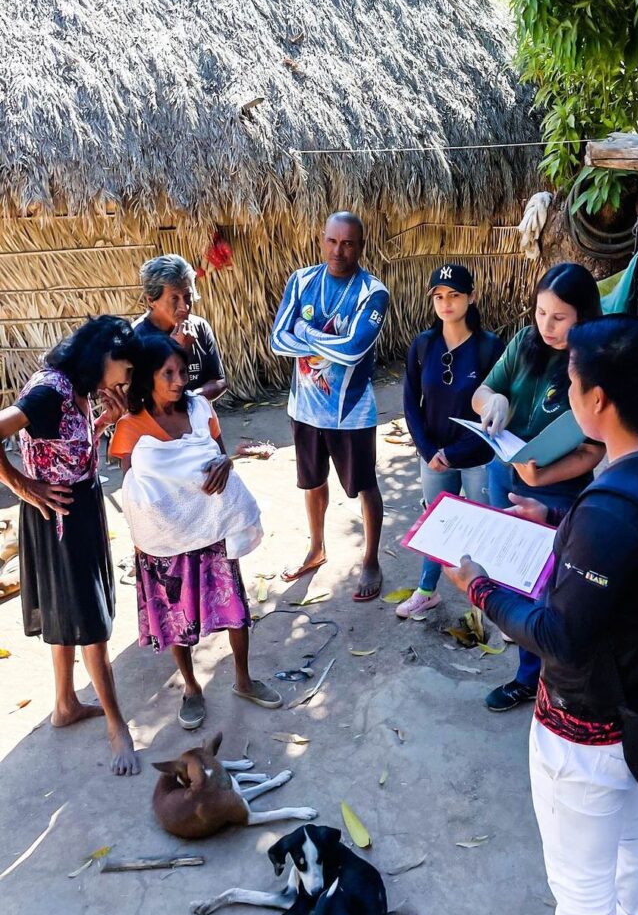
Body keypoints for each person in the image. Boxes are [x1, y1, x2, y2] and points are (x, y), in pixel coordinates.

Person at [445, 315, 638, 915]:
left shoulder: (607, 510)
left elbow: (562, 636)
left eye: (572, 384)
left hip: (588, 725)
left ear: (597, 399)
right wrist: (553, 518)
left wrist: (480, 588)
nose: (569, 396)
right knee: (631, 829)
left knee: (579, 885)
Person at [110, 335, 279, 730]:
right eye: (167, 373)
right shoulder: (130, 427)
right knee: (178, 616)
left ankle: (243, 679)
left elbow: (217, 455)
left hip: (212, 527)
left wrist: (226, 464)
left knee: (236, 610)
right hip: (165, 540)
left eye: (182, 372)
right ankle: (191, 688)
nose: (177, 380)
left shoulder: (201, 409)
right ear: (147, 378)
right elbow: (135, 489)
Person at [0, 317, 141, 775]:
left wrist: (106, 419)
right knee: (92, 624)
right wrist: (22, 485)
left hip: (77, 507)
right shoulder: (49, 391)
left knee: (69, 610)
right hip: (57, 515)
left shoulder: (76, 389)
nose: (128, 377)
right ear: (100, 357)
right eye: (126, 366)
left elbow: (68, 443)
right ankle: (118, 727)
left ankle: (64, 703)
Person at [471, 263, 605, 710]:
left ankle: (549, 682)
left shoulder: (595, 364)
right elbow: (484, 390)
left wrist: (541, 476)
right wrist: (495, 400)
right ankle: (529, 673)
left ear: (584, 317)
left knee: (551, 589)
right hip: (502, 474)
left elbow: (592, 450)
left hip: (554, 490)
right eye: (540, 312)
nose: (546, 326)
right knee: (511, 575)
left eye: (559, 317)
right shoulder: (525, 342)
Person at [270, 211, 389, 601]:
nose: (339, 251)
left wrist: (302, 332)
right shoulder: (302, 280)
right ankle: (317, 547)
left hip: (350, 411)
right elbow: (277, 341)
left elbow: (354, 351)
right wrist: (316, 340)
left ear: (361, 246)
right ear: (322, 240)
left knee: (364, 485)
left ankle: (371, 558)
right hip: (304, 408)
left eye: (349, 243)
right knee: (312, 482)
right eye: (333, 241)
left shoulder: (373, 293)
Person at [399, 264, 503, 618]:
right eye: (439, 296)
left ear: (470, 297)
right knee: (436, 523)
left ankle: (496, 604)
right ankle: (427, 591)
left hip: (476, 455)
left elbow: (494, 413)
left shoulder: (489, 348)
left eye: (455, 295)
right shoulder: (423, 346)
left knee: (486, 526)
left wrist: (454, 452)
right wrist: (428, 451)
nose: (446, 303)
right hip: (434, 457)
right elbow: (411, 402)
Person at [134, 254, 227, 402]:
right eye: (174, 299)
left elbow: (218, 381)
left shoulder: (200, 327)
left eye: (187, 296)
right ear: (151, 300)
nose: (184, 307)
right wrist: (178, 352)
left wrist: (191, 400)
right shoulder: (137, 340)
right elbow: (141, 399)